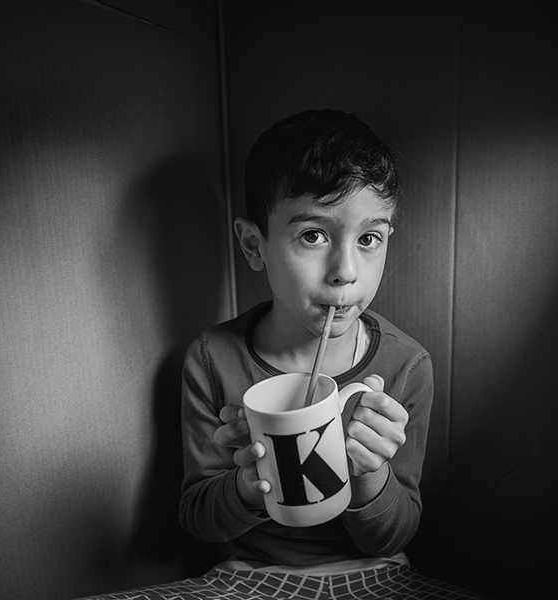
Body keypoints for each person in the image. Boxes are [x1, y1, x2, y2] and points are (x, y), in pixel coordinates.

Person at [139, 110, 483, 599]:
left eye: (369, 239)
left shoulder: (406, 368)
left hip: (377, 574)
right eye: (313, 235)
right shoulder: (212, 358)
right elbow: (198, 520)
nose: (345, 271)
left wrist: (370, 474)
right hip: (246, 580)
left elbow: (397, 533)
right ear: (253, 245)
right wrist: (247, 481)